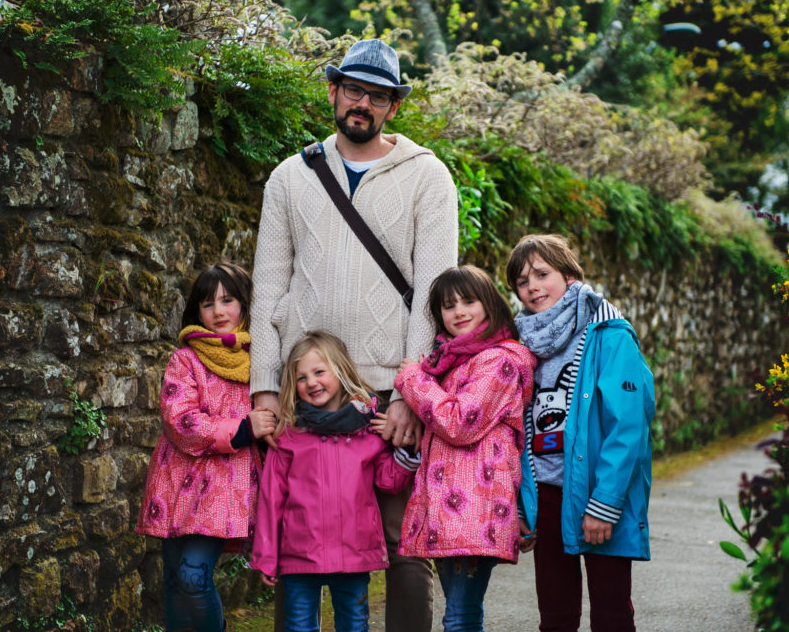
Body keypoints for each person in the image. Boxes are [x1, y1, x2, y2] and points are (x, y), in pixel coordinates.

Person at [250, 38, 458, 631]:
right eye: (352, 90)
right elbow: (268, 285)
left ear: (393, 105)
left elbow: (435, 294)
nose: (361, 103)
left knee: (401, 541)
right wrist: (266, 387)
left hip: (386, 395)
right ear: (335, 91)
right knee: (302, 532)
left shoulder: (428, 178)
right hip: (304, 391)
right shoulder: (291, 176)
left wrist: (412, 395)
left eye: (376, 95)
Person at [505, 234, 655, 632]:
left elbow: (628, 427)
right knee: (555, 616)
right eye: (522, 281)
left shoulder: (609, 335)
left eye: (542, 273)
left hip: (599, 493)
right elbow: (518, 428)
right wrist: (523, 504)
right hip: (548, 498)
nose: (533, 286)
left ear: (570, 276)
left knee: (610, 615)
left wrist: (604, 503)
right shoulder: (522, 346)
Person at [394, 265, 536, 631]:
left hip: (477, 507)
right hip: (450, 510)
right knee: (463, 614)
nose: (458, 311)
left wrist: (412, 380)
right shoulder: (453, 360)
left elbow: (459, 422)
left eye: (469, 301)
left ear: (489, 303)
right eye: (448, 305)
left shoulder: (501, 360)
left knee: (460, 616)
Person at [136, 262, 277, 632]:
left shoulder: (263, 363)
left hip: (224, 491)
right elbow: (179, 420)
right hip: (176, 483)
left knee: (193, 577)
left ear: (246, 306)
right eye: (208, 303)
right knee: (173, 582)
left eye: (228, 300)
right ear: (196, 311)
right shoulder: (185, 359)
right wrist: (242, 429)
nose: (218, 312)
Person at [251, 331, 420, 632]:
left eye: (319, 372)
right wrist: (266, 556)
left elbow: (388, 482)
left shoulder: (368, 433)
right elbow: (270, 499)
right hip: (299, 556)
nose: (311, 382)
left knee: (354, 625)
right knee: (299, 627)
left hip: (353, 554)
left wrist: (406, 451)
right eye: (301, 378)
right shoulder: (288, 438)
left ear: (340, 372)